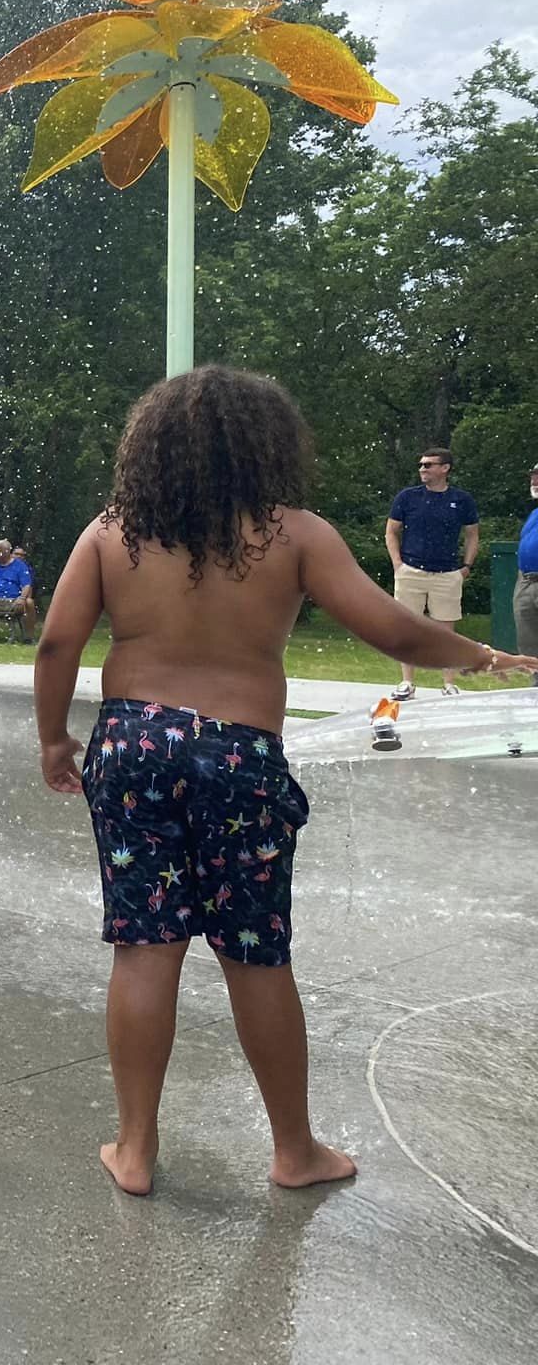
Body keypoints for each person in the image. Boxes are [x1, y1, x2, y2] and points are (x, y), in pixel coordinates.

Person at [34, 366, 536, 1199]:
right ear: (265, 446)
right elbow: (390, 627)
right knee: (256, 955)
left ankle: (135, 1147)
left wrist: (55, 738)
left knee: (144, 950)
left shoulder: (112, 533)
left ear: (152, 447)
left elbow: (58, 644)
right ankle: (294, 1151)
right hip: (239, 758)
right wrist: (482, 655)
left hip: (133, 749)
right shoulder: (293, 535)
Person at [385, 446, 481, 699]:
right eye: (421, 465)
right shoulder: (408, 497)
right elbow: (391, 531)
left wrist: (466, 567)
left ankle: (449, 684)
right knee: (407, 628)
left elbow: (472, 535)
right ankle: (407, 683)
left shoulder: (461, 500)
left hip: (447, 574)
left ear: (445, 468)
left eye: (428, 465)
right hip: (411, 570)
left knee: (446, 632)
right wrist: (397, 564)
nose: (422, 469)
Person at [520, 461, 538, 679]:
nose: (534, 481)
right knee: (528, 641)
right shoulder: (534, 513)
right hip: (526, 580)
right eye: (533, 476)